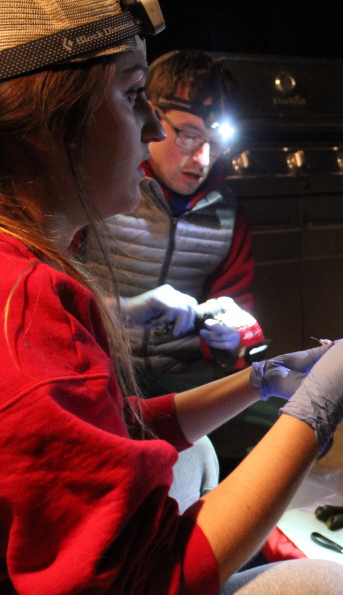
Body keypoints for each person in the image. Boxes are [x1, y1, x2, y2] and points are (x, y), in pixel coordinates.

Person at [0, 2, 343, 595]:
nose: (156, 132)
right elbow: (153, 579)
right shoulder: (10, 303)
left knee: (192, 463)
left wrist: (258, 377)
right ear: (46, 119)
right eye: (134, 97)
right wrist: (321, 404)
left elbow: (74, 440)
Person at [79, 48, 257, 393]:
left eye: (216, 143)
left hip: (183, 374)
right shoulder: (96, 189)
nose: (203, 159)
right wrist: (122, 310)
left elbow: (240, 316)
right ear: (150, 116)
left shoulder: (228, 215)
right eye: (188, 136)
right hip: (98, 365)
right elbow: (44, 291)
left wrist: (232, 339)